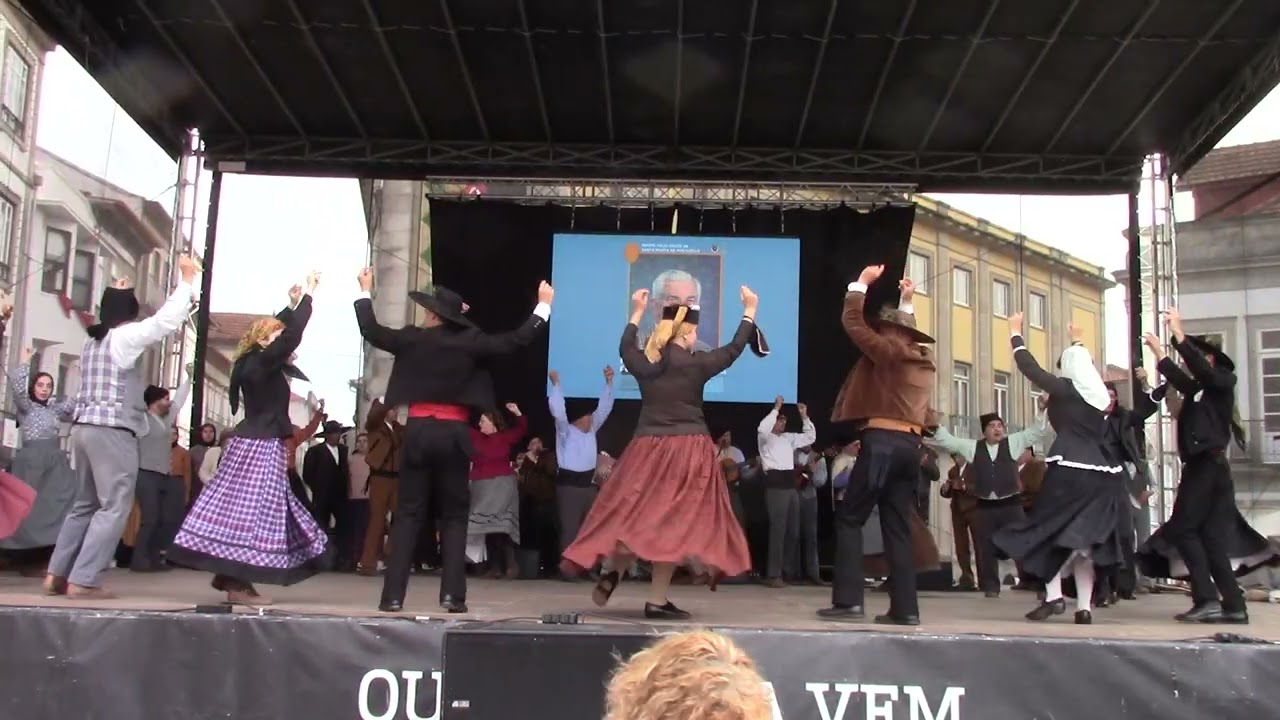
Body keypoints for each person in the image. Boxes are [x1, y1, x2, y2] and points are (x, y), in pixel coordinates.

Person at [353, 268, 554, 613]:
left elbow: (371, 330)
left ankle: (392, 598)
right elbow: (515, 340)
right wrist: (543, 308)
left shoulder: (413, 338)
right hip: (453, 435)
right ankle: (452, 596)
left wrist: (365, 291)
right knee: (454, 516)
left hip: (417, 432)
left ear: (433, 314)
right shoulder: (469, 341)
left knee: (408, 515)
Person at [562, 286, 766, 619]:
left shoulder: (646, 365)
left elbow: (625, 348)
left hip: (646, 447)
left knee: (637, 513)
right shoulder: (698, 364)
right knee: (674, 525)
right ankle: (656, 599)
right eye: (695, 331)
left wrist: (637, 311)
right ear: (687, 333)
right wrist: (750, 311)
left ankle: (615, 567)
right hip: (689, 450)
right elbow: (734, 349)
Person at [168, 275, 328, 605]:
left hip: (249, 442)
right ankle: (237, 583)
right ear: (267, 341)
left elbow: (278, 333)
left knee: (243, 510)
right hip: (261, 445)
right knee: (255, 513)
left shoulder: (249, 361)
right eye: (278, 336)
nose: (285, 341)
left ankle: (230, 576)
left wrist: (290, 305)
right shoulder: (264, 362)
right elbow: (291, 336)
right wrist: (309, 297)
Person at [45, 258, 200, 599]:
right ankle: (83, 579)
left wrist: (117, 290)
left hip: (83, 429)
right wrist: (186, 281)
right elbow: (163, 322)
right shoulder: (124, 337)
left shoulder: (92, 343)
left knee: (84, 504)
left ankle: (57, 573)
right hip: (112, 431)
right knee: (114, 505)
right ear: (129, 313)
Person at [1137, 315, 1278, 623]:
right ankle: (1234, 606)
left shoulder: (1223, 380)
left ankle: (1207, 599)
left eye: (1200, 356)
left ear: (1212, 359)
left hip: (1207, 466)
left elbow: (1201, 371)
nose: (1194, 361)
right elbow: (1182, 377)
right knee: (1212, 537)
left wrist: (1179, 336)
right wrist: (1160, 351)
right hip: (1207, 468)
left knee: (1185, 529)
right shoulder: (1198, 389)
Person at [819, 266, 935, 626]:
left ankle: (850, 602)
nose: (879, 330)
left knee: (851, 517)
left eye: (884, 326)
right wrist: (908, 300)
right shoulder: (921, 360)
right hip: (910, 447)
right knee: (897, 526)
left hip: (882, 441)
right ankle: (906, 609)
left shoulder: (887, 351)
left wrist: (860, 285)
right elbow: (902, 330)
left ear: (890, 332)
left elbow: (853, 322)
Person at [992, 314, 1126, 625]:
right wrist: (1078, 340)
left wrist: (1015, 335)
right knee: (1082, 543)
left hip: (1069, 470)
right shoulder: (1100, 396)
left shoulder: (1065, 389)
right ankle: (1084, 608)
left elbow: (1030, 368)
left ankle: (1053, 597)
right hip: (1102, 476)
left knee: (1048, 530)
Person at [928, 402, 1049, 597]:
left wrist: (1041, 411)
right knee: (985, 547)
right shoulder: (972, 447)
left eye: (1000, 425)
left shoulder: (1013, 443)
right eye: (992, 426)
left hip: (1010, 503)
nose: (997, 429)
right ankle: (991, 587)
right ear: (984, 431)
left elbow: (1035, 432)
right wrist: (935, 425)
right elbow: (949, 442)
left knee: (1024, 542)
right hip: (984, 505)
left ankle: (1040, 583)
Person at [2, 346, 78, 575]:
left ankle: (48, 555)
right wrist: (25, 361)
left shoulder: (56, 409)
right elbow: (17, 390)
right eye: (40, 385)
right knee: (27, 508)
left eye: (48, 386)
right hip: (32, 463)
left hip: (55, 463)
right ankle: (17, 554)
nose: (44, 390)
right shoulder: (27, 407)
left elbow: (77, 403)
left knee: (61, 502)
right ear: (33, 387)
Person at [547, 366, 614, 573]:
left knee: (590, 529)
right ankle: (568, 569)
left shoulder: (592, 430)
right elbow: (559, 412)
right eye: (586, 417)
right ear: (577, 419)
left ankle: (588, 568)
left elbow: (604, 408)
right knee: (570, 530)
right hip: (569, 486)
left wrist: (609, 383)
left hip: (588, 486)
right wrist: (556, 385)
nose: (590, 419)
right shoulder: (565, 431)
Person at [131, 377, 192, 572]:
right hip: (145, 474)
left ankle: (154, 558)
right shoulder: (143, 420)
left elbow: (180, 401)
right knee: (149, 518)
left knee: (160, 519)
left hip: (162, 475)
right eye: (165, 399)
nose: (169, 403)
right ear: (155, 401)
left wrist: (189, 379)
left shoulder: (165, 420)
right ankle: (139, 560)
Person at [756, 397, 817, 588]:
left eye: (783, 421)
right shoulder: (765, 438)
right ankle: (773, 574)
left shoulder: (789, 438)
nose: (781, 424)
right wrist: (776, 409)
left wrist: (804, 417)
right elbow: (762, 428)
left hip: (790, 486)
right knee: (778, 530)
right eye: (779, 421)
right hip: (775, 486)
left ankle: (788, 571)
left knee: (793, 531)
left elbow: (810, 438)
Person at [465, 403, 528, 578]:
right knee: (487, 527)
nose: (480, 424)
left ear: (493, 423)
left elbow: (522, 429)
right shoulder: (475, 437)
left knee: (502, 526)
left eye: (483, 421)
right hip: (481, 487)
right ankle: (495, 567)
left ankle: (510, 565)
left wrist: (517, 412)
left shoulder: (505, 437)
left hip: (502, 486)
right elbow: (459, 426)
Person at [358, 398, 402, 575]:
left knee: (400, 518)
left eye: (396, 409)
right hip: (380, 478)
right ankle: (368, 562)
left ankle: (390, 557)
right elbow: (372, 416)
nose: (396, 412)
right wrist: (383, 400)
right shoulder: (376, 426)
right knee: (377, 520)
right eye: (392, 409)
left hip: (396, 478)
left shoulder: (398, 429)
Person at [303, 420, 353, 535]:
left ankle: (341, 551)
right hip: (322, 497)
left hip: (341, 497)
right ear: (327, 436)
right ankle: (324, 550)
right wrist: (318, 488)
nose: (337, 436)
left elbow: (346, 472)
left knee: (344, 526)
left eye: (338, 433)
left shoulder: (343, 450)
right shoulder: (314, 452)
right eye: (334, 433)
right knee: (321, 526)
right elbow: (307, 474)